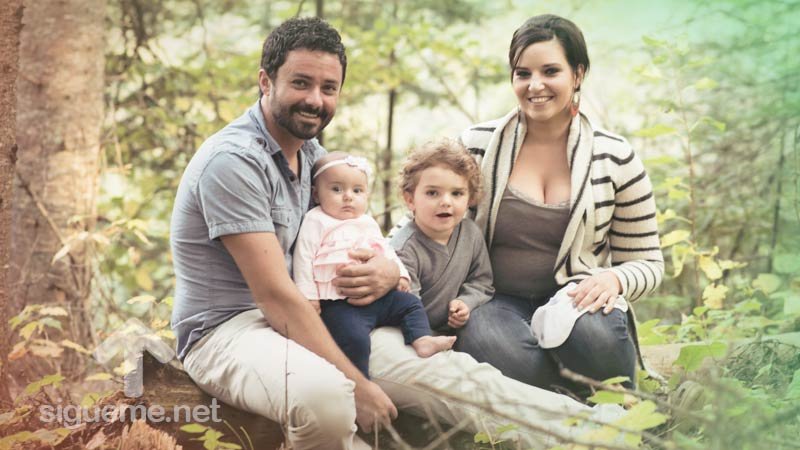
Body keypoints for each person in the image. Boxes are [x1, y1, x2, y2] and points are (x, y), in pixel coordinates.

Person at [170, 16, 625, 450]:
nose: (315, 99)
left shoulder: (311, 157)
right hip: (229, 329)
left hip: (316, 317)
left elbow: (340, 239)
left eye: (329, 88)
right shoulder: (233, 162)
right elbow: (273, 294)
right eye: (300, 83)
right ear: (266, 82)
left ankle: (599, 434)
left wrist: (388, 269)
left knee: (456, 378)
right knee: (329, 398)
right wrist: (358, 383)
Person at [455, 14, 665, 395]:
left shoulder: (615, 156)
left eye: (550, 71)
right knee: (491, 343)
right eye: (523, 73)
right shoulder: (476, 145)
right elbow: (425, 221)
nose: (535, 85)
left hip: (576, 295)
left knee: (596, 337)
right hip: (493, 300)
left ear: (578, 74)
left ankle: (584, 396)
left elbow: (649, 262)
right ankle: (581, 402)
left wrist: (614, 278)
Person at [293, 151, 456, 377]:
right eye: (337, 189)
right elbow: (304, 256)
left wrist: (400, 275)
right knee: (355, 340)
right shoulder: (316, 219)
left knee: (410, 304)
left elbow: (386, 250)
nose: (348, 197)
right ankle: (359, 382)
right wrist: (309, 295)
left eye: (357, 190)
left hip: (380, 298)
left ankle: (422, 339)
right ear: (316, 194)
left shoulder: (367, 222)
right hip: (339, 303)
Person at [390, 140, 494, 332]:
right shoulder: (404, 248)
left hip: (453, 329)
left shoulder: (471, 233)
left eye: (457, 193)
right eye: (432, 193)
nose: (446, 202)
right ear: (410, 199)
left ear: (470, 198)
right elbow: (407, 305)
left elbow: (481, 281)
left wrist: (466, 302)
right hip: (410, 330)